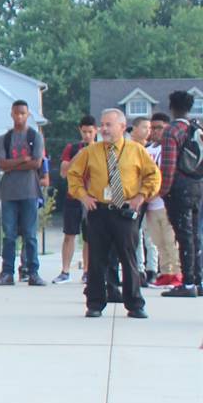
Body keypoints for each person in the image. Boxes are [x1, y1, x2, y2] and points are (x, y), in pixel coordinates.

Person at [66, 108, 160, 319]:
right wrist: (83, 196)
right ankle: (95, 303)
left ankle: (134, 304)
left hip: (124, 212)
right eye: (102, 124)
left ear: (122, 127)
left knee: (129, 259)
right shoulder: (91, 151)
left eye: (109, 125)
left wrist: (141, 196)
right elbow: (73, 174)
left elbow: (153, 176)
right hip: (99, 210)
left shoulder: (136, 150)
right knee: (97, 260)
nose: (104, 129)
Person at [0, 99, 46, 286]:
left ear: (28, 114)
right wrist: (23, 160)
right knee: (9, 235)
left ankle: (33, 272)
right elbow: (1, 163)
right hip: (9, 192)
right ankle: (7, 272)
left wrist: (13, 164)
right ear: (12, 114)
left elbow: (37, 163)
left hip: (29, 191)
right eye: (16, 113)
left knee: (30, 235)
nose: (19, 116)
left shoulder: (35, 136)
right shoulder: (5, 138)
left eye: (23, 113)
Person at [161, 91, 202, 297]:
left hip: (179, 187)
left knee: (183, 236)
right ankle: (198, 280)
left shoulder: (172, 131)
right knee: (195, 235)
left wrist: (163, 191)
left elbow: (168, 166)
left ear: (171, 106)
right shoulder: (197, 128)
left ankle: (187, 284)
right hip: (197, 186)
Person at [54, 116, 97, 284]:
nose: (87, 135)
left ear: (96, 131)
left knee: (89, 236)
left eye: (90, 132)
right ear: (80, 131)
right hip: (74, 196)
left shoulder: (101, 149)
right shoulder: (72, 148)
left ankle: (87, 270)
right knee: (69, 234)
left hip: (92, 198)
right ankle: (65, 270)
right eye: (84, 132)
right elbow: (64, 172)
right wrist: (78, 156)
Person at [143, 112, 180, 286]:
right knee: (157, 241)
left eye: (159, 127)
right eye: (153, 128)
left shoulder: (170, 148)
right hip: (150, 204)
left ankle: (178, 273)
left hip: (166, 201)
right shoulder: (146, 150)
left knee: (171, 240)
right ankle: (165, 272)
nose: (156, 131)